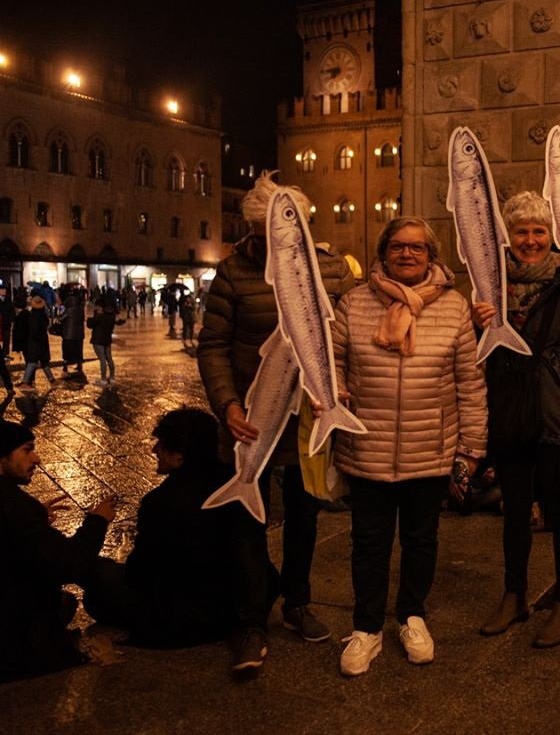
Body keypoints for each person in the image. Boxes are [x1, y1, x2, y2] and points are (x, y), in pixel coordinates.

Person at [197, 172, 355, 673]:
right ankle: (250, 619)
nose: (276, 242)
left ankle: (297, 601)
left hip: (308, 416)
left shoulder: (332, 270)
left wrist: (339, 384)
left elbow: (347, 337)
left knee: (306, 513)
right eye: (264, 234)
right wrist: (228, 405)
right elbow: (213, 346)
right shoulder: (232, 274)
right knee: (246, 517)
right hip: (251, 413)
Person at [331, 215, 486, 676]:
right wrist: (335, 388)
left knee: (421, 540)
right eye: (398, 246)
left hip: (430, 448)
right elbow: (333, 360)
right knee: (369, 543)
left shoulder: (454, 307)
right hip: (368, 445)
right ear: (383, 252)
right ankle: (367, 628)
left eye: (417, 248)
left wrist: (472, 446)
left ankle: (412, 617)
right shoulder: (354, 303)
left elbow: (469, 381)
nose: (407, 254)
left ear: (431, 256)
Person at [474, 192, 560, 648]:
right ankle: (514, 596)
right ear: (506, 237)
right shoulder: (488, 286)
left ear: (552, 236)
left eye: (539, 231)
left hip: (559, 413)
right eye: (521, 232)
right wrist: (478, 324)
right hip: (510, 412)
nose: (530, 241)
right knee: (514, 513)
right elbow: (478, 356)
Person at [82, 409, 241, 647]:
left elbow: (141, 572)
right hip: (231, 607)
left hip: (183, 616)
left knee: (99, 579)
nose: (154, 450)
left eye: (161, 445)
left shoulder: (161, 502)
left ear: (179, 456)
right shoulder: (234, 482)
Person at [0, 420, 117, 681]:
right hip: (13, 633)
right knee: (78, 593)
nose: (36, 458)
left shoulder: (16, 507)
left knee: (66, 602)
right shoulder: (16, 505)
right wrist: (97, 521)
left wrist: (35, 520)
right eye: (27, 450)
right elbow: (68, 564)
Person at [19, 291, 56, 392]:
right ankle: (25, 382)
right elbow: (36, 330)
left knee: (41, 362)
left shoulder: (34, 315)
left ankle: (52, 380)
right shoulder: (39, 316)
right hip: (38, 342)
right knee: (34, 362)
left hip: (36, 342)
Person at [87, 298, 122, 386]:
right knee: (109, 358)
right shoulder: (111, 315)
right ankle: (112, 377)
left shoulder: (99, 316)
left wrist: (91, 318)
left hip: (98, 339)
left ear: (99, 307)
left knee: (102, 359)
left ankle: (103, 379)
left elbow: (90, 324)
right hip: (107, 339)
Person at [60, 286, 86, 377]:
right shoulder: (80, 309)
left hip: (68, 334)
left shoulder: (68, 310)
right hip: (79, 334)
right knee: (78, 350)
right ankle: (79, 365)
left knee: (66, 351)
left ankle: (65, 366)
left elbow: (61, 319)